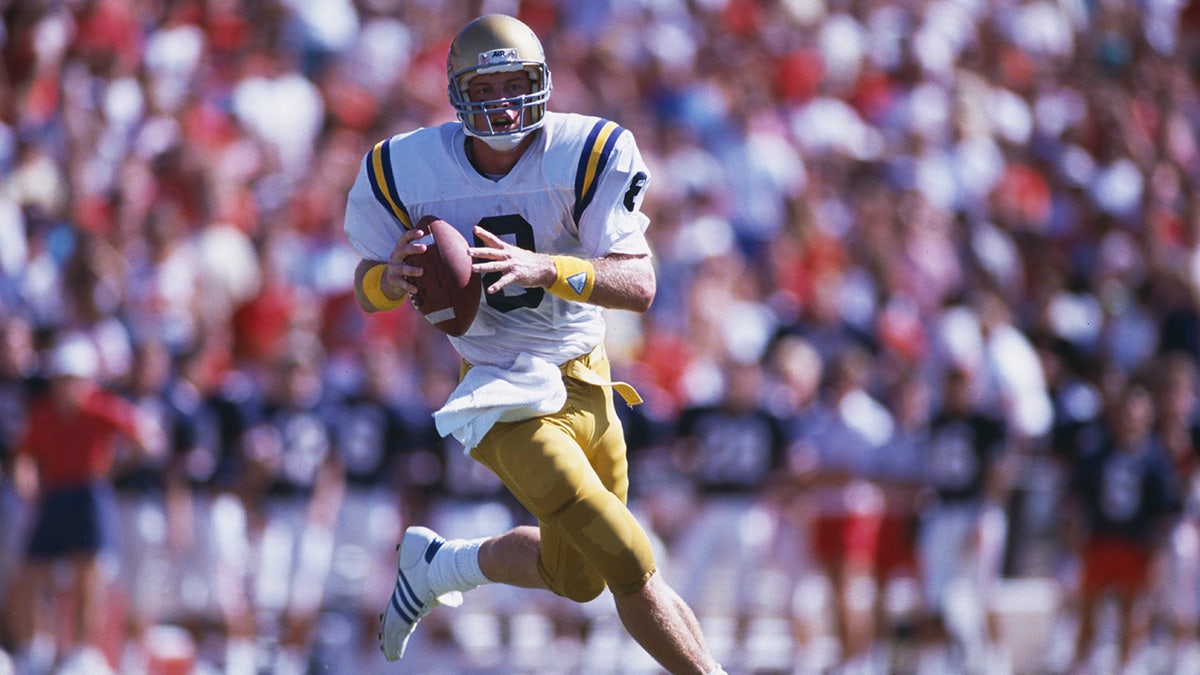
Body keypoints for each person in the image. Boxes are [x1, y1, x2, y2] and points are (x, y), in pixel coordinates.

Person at [342, 14, 723, 674]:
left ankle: (440, 565)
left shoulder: (586, 149)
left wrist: (548, 267)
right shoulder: (405, 165)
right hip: (500, 388)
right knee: (629, 560)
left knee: (577, 575)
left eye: (515, 84)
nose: (503, 103)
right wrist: (389, 276)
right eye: (485, 90)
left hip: (588, 373)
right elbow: (364, 286)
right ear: (458, 94)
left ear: (542, 83)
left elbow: (639, 283)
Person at [9, 332, 165, 674]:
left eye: (71, 378)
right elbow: (25, 453)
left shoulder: (101, 408)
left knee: (87, 577)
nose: (65, 386)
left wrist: (117, 465)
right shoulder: (45, 413)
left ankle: (81, 652)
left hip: (88, 496)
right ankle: (34, 650)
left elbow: (147, 437)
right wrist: (26, 477)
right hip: (54, 495)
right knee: (31, 574)